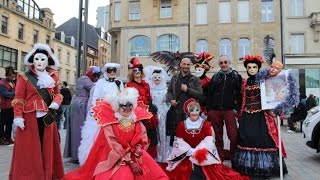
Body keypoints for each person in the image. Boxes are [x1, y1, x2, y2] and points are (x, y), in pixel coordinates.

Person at [64, 88, 169, 180]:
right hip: (117, 158)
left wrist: (137, 150)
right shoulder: (111, 124)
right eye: (124, 106)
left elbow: (143, 139)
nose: (127, 109)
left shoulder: (137, 122)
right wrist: (130, 161)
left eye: (130, 105)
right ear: (118, 107)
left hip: (135, 155)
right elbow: (113, 146)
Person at [9, 43, 64, 179]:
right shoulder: (24, 77)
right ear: (32, 60)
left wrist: (56, 103)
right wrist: (17, 116)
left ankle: (47, 174)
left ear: (48, 61)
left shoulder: (53, 77)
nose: (39, 62)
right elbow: (18, 99)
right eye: (37, 59)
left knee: (46, 148)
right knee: (30, 149)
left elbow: (58, 94)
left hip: (47, 117)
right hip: (29, 118)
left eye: (42, 59)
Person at [232, 55, 288, 178]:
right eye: (249, 67)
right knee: (247, 138)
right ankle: (249, 168)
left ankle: (265, 168)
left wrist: (277, 107)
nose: (252, 69)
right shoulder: (244, 83)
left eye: (254, 67)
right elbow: (242, 99)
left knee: (262, 139)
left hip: (261, 116)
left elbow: (275, 94)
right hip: (247, 116)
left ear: (258, 68)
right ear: (246, 68)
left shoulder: (264, 80)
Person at [165, 98, 249, 180]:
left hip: (202, 155)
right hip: (186, 155)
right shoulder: (181, 125)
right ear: (188, 112)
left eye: (197, 110)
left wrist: (198, 150)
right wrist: (188, 151)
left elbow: (209, 140)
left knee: (212, 174)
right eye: (192, 110)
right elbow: (179, 141)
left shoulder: (205, 124)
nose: (194, 113)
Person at [78, 63, 124, 165]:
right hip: (102, 113)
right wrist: (98, 111)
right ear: (106, 72)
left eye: (114, 71)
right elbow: (95, 98)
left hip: (114, 114)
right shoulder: (100, 83)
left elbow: (122, 96)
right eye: (110, 71)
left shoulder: (119, 82)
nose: (112, 73)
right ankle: (96, 161)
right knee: (97, 136)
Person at [206, 55, 242, 161]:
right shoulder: (216, 77)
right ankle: (219, 158)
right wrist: (209, 110)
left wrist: (236, 108)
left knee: (233, 136)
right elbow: (209, 93)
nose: (223, 64)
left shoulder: (236, 76)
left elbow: (240, 94)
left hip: (229, 110)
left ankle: (234, 158)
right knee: (217, 136)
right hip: (215, 110)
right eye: (221, 63)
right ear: (219, 64)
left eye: (225, 62)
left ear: (229, 63)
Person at [64, 66, 101, 163]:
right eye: (96, 76)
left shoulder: (83, 78)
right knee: (79, 129)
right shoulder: (85, 79)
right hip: (81, 105)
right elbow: (94, 89)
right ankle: (77, 154)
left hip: (79, 104)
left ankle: (75, 153)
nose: (97, 78)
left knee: (77, 129)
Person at [126, 57, 159, 157]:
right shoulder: (129, 85)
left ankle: (150, 159)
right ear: (132, 72)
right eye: (135, 70)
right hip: (137, 115)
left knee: (151, 135)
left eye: (139, 70)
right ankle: (139, 157)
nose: (137, 72)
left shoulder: (146, 85)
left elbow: (150, 99)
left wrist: (152, 112)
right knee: (139, 137)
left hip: (148, 113)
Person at [167, 57, 203, 133]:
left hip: (190, 112)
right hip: (177, 111)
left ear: (190, 66)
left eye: (188, 64)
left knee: (189, 133)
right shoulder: (175, 78)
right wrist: (171, 100)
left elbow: (200, 95)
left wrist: (187, 90)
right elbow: (169, 91)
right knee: (178, 133)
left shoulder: (195, 79)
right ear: (180, 64)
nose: (186, 66)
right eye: (184, 64)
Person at [144, 65, 171, 163]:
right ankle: (156, 155)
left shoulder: (166, 89)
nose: (157, 79)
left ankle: (165, 155)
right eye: (155, 77)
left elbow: (167, 103)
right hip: (153, 115)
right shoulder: (150, 90)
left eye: (159, 77)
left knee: (163, 134)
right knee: (155, 134)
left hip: (163, 114)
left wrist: (165, 110)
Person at [0, 66, 16, 145]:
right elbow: (5, 94)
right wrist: (15, 94)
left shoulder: (13, 83)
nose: (12, 77)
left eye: (13, 76)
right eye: (10, 76)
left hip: (12, 106)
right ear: (7, 75)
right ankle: (1, 138)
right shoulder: (2, 83)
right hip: (4, 106)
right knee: (2, 123)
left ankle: (8, 137)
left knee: (10, 122)